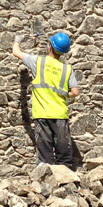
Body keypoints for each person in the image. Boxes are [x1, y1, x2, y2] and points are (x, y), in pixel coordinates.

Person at [12, 31, 80, 166]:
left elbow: (16, 52)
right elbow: (75, 92)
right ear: (63, 52)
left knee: (45, 155)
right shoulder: (67, 69)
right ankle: (66, 181)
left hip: (42, 114)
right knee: (64, 155)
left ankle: (47, 181)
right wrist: (65, 94)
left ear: (50, 47)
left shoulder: (38, 61)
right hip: (60, 114)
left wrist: (17, 40)